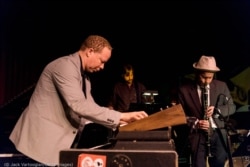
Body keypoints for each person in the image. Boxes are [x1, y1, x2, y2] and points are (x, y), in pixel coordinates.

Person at [9, 35, 148, 166]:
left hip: (55, 145)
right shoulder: (64, 66)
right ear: (90, 51)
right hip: (39, 144)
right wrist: (122, 115)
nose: (102, 67)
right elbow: (79, 106)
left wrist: (122, 122)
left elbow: (91, 108)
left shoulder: (85, 79)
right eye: (102, 61)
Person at [177, 55, 236, 167]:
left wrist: (217, 110)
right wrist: (196, 123)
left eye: (210, 77)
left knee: (219, 164)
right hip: (197, 135)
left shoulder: (221, 86)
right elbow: (180, 116)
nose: (207, 81)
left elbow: (232, 107)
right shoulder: (184, 90)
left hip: (218, 133)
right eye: (204, 77)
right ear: (197, 73)